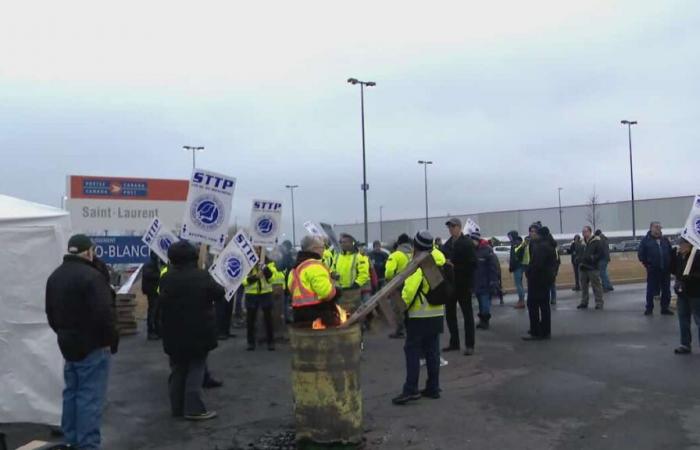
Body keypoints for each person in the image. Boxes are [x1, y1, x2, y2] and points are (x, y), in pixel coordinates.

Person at [45, 234, 118, 449]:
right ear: (88, 252)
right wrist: (111, 340)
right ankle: (88, 445)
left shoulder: (55, 276)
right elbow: (105, 314)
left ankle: (71, 441)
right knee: (90, 399)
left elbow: (50, 313)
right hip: (94, 346)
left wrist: (63, 333)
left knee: (72, 393)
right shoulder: (93, 277)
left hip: (68, 344)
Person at [159, 240, 222, 421]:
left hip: (173, 332)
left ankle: (177, 408)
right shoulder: (202, 276)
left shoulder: (166, 278)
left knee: (178, 369)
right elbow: (218, 293)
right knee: (196, 368)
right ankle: (194, 409)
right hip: (198, 332)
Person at [392, 231, 446, 405]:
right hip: (436, 313)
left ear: (416, 246)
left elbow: (409, 292)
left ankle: (411, 389)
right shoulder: (440, 260)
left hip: (418, 315)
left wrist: (400, 308)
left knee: (412, 352)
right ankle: (433, 387)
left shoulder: (419, 264)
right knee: (432, 352)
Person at [441, 217, 477, 355]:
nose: (451, 229)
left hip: (464, 284)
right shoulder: (447, 244)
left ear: (459, 227)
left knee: (467, 315)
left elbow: (473, 264)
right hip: (450, 285)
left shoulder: (467, 243)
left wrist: (455, 266)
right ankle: (454, 342)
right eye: (449, 227)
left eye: (453, 226)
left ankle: (470, 345)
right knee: (450, 314)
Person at [289, 235, 341, 326]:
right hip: (318, 315)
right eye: (322, 247)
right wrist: (338, 291)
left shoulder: (295, 269)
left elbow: (291, 289)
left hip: (298, 314)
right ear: (314, 248)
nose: (324, 250)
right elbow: (327, 294)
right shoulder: (314, 266)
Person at [522, 226, 557, 341]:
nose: (533, 235)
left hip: (537, 281)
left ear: (540, 235)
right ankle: (545, 331)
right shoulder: (550, 245)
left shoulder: (541, 247)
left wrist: (528, 273)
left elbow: (536, 264)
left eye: (535, 233)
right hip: (546, 280)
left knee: (533, 306)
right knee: (544, 306)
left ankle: (536, 331)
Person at [243, 249, 280, 351]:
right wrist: (255, 277)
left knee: (268, 319)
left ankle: (271, 342)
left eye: (259, 249)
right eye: (255, 249)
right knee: (250, 320)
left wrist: (265, 269)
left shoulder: (269, 262)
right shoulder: (245, 262)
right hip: (251, 294)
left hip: (265, 293)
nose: (257, 251)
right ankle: (250, 342)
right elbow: (243, 281)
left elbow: (273, 278)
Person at [671, 237, 700, 354]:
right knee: (683, 319)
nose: (680, 247)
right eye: (679, 245)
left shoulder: (697, 256)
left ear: (689, 245)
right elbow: (674, 270)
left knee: (698, 320)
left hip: (696, 293)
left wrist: (689, 277)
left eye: (682, 244)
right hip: (682, 293)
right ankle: (685, 344)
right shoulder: (679, 257)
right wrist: (673, 256)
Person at [638, 221, 674, 316]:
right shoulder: (645, 241)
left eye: (659, 227)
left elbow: (670, 252)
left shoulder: (665, 240)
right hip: (653, 270)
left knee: (666, 290)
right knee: (650, 290)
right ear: (651, 228)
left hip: (665, 270)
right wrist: (647, 264)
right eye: (656, 227)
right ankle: (649, 308)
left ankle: (665, 308)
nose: (658, 228)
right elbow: (641, 254)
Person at [385, 233, 413, 338]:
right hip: (411, 284)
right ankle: (410, 328)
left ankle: (400, 330)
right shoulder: (413, 253)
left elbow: (389, 272)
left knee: (397, 308)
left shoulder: (395, 255)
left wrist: (389, 280)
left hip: (398, 285)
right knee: (409, 307)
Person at [470, 230, 499, 330]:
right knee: (481, 303)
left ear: (477, 240)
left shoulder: (487, 250)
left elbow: (493, 266)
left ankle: (485, 320)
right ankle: (482, 320)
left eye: (472, 240)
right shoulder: (472, 250)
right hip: (476, 282)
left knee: (485, 303)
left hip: (486, 282)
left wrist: (494, 281)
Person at [577, 226, 605, 310]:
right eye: (583, 232)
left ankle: (599, 303)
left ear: (590, 232)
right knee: (584, 286)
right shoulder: (581, 242)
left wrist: (593, 258)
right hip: (583, 267)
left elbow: (601, 253)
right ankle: (584, 302)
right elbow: (578, 252)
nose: (584, 233)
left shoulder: (596, 241)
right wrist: (578, 259)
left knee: (596, 286)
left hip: (592, 267)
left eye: (585, 231)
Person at [512, 226, 536, 309]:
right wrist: (524, 244)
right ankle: (526, 300)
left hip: (529, 265)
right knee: (527, 284)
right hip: (526, 265)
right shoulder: (523, 244)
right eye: (530, 231)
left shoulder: (535, 243)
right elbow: (517, 251)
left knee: (523, 284)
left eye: (533, 231)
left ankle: (522, 301)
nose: (531, 233)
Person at [142, 252, 163, 340]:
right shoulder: (149, 264)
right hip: (152, 291)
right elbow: (148, 275)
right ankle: (151, 331)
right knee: (153, 311)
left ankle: (158, 330)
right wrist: (160, 275)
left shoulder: (159, 264)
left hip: (156, 290)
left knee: (158, 311)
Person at [507, 231, 526, 307]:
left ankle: (521, 301)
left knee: (518, 284)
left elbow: (516, 257)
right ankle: (521, 300)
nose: (509, 238)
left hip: (518, 266)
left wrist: (512, 265)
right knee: (519, 284)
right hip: (518, 266)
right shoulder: (517, 243)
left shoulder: (516, 244)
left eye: (510, 236)